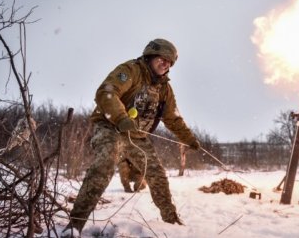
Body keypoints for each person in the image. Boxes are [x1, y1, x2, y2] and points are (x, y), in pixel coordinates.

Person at [61, 38, 200, 237]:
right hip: (111, 128)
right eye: (162, 59)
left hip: (137, 137)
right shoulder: (131, 70)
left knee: (157, 175)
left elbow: (173, 118)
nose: (166, 64)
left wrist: (189, 139)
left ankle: (172, 222)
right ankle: (75, 225)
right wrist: (121, 118)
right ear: (150, 55)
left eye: (170, 62)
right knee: (104, 165)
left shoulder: (165, 89)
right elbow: (106, 92)